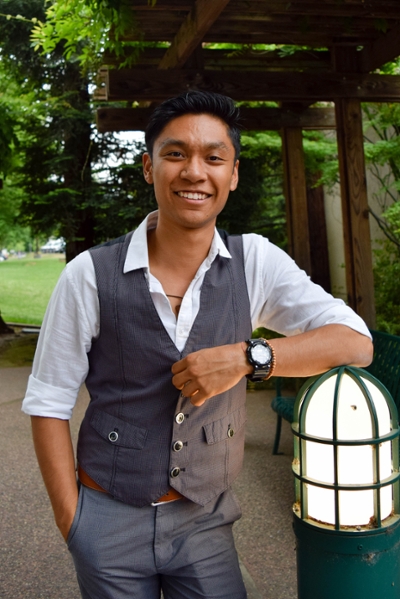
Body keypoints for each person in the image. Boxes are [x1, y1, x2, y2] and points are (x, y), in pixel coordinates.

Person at [22, 91, 373, 599]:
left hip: (206, 522)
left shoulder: (255, 261)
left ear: (232, 173)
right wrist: (73, 521)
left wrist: (249, 357)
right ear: (148, 166)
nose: (194, 171)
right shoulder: (88, 275)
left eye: (213, 157)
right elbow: (48, 401)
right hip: (106, 519)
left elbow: (355, 341)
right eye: (175, 154)